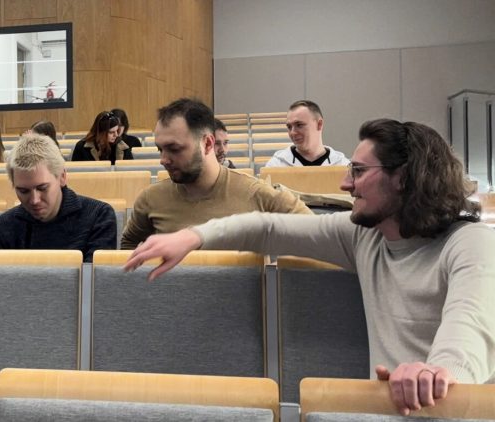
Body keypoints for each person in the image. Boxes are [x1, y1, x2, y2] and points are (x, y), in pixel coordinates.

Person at [124, 118, 495, 415]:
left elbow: (470, 329)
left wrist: (437, 374)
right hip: (386, 413)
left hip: (457, 411)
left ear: (403, 178)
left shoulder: (470, 242)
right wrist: (193, 237)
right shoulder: (365, 236)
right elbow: (267, 228)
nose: (345, 183)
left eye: (358, 171)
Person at [120, 98, 310, 249]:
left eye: (174, 149)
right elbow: (128, 244)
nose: (163, 160)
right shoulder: (151, 198)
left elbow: (316, 234)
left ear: (208, 143)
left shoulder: (257, 194)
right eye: (160, 149)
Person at [0, 133, 117, 262]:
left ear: (62, 177)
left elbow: (94, 274)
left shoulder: (99, 216)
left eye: (42, 188)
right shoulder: (3, 226)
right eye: (23, 191)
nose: (34, 200)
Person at [265, 100, 350, 167]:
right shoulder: (276, 165)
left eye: (299, 125)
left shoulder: (342, 166)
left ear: (319, 124)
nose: (292, 132)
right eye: (289, 127)